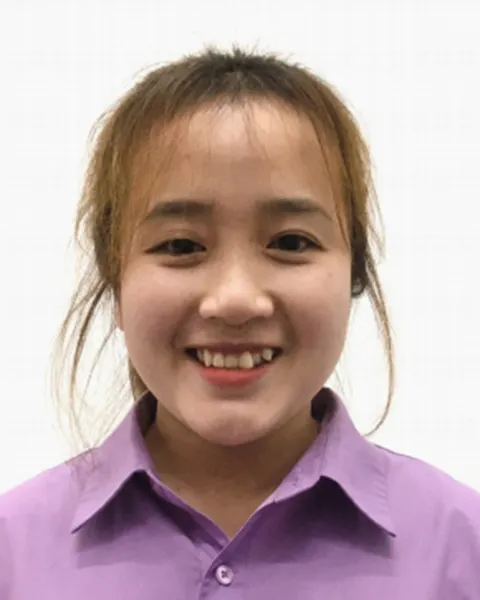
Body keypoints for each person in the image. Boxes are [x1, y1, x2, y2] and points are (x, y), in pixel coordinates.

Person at [1, 45, 479, 599]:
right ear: (115, 279)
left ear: (356, 274)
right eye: (180, 246)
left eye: (291, 242)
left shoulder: (460, 548)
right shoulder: (15, 555)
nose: (234, 299)